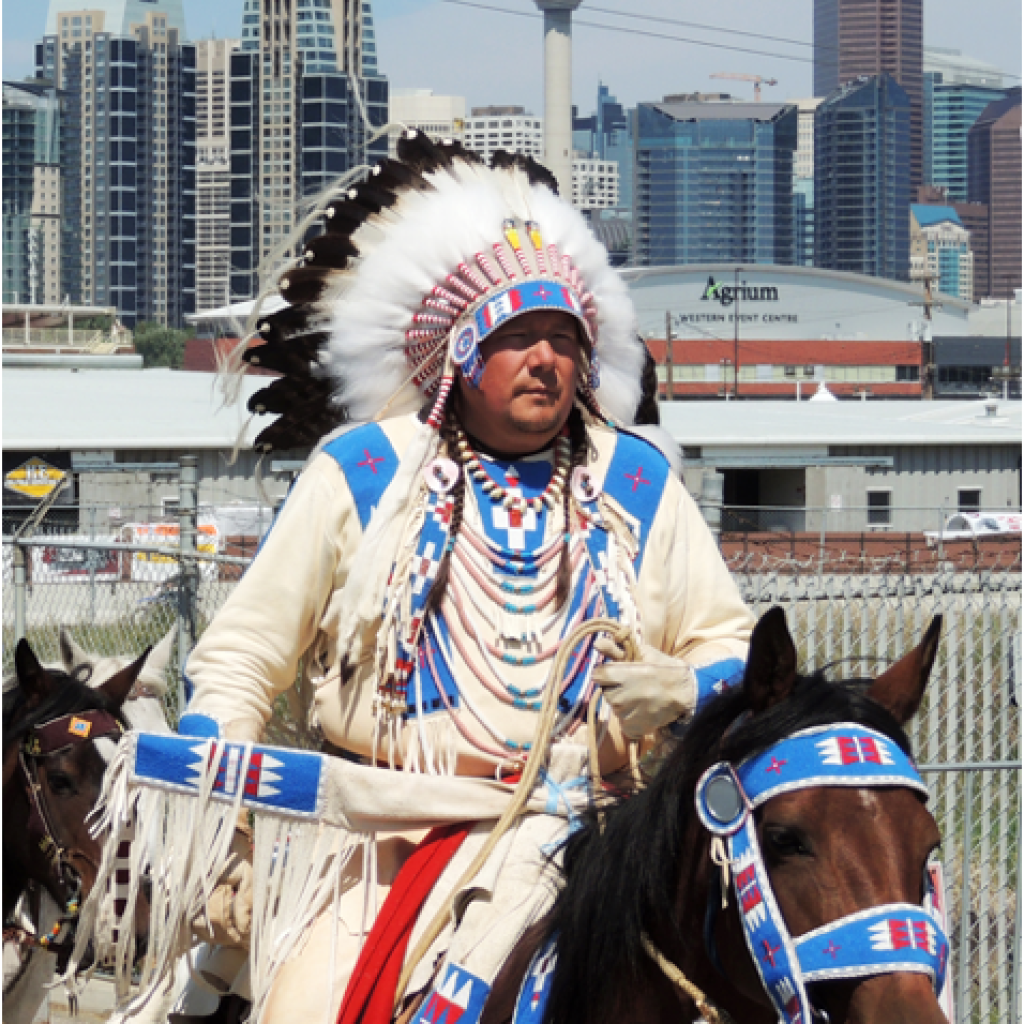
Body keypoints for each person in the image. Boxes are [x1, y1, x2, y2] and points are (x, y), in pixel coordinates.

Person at [176, 133, 754, 1023]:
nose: (546, 359)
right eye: (517, 336)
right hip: (384, 835)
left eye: (564, 338)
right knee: (305, 1006)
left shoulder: (632, 482)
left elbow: (742, 652)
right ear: (458, 355)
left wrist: (682, 683)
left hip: (593, 832)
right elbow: (243, 654)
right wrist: (225, 819)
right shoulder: (369, 471)